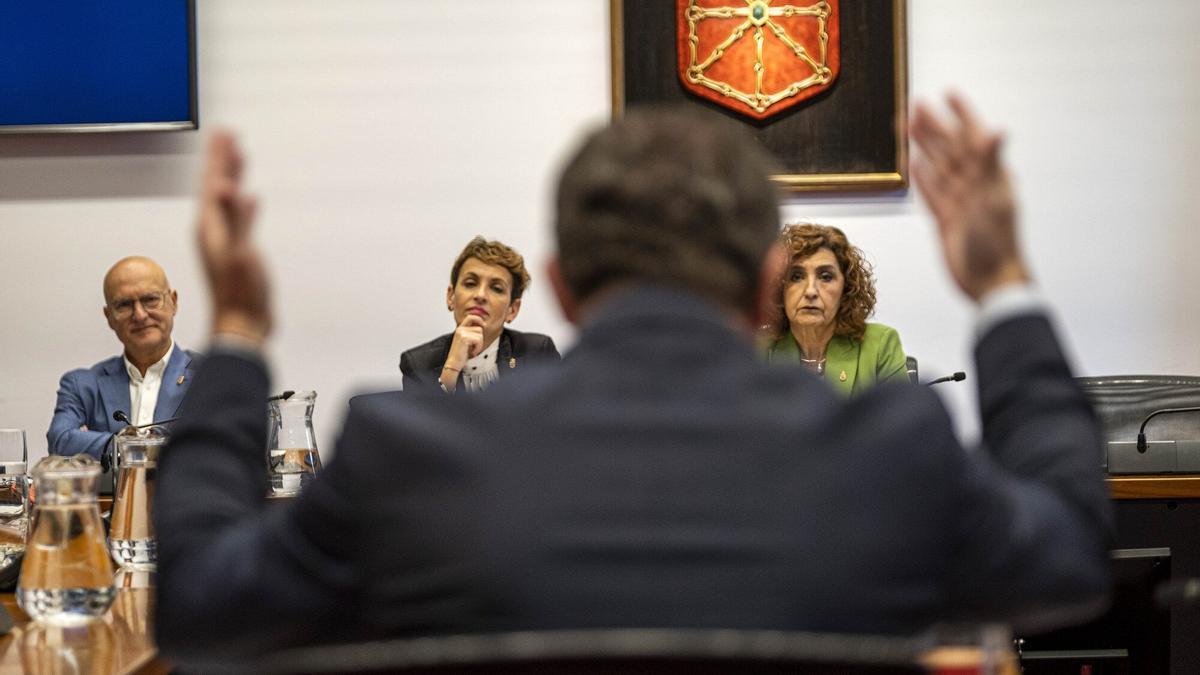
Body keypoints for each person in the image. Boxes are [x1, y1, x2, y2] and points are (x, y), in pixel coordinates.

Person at [155, 95, 1112, 663]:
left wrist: (235, 330)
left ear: (561, 287)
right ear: (762, 289)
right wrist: (1003, 287)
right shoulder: (893, 444)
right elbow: (1071, 554)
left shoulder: (405, 451)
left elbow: (197, 603)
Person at [47, 256, 198, 460]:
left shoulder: (209, 376)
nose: (140, 315)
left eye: (150, 299)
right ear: (109, 316)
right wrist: (129, 444)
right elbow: (60, 441)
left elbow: (220, 446)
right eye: (124, 305)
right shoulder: (82, 385)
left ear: (173, 302)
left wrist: (102, 444)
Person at [399, 236, 560, 393]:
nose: (481, 295)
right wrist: (452, 368)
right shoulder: (418, 364)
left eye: (496, 288)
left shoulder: (537, 352)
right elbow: (426, 420)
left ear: (512, 309)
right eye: (470, 284)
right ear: (451, 297)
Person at [764, 223, 908, 395]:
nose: (810, 291)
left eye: (826, 277)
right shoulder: (758, 350)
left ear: (846, 288)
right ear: (778, 287)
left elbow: (900, 420)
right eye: (796, 276)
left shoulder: (880, 345)